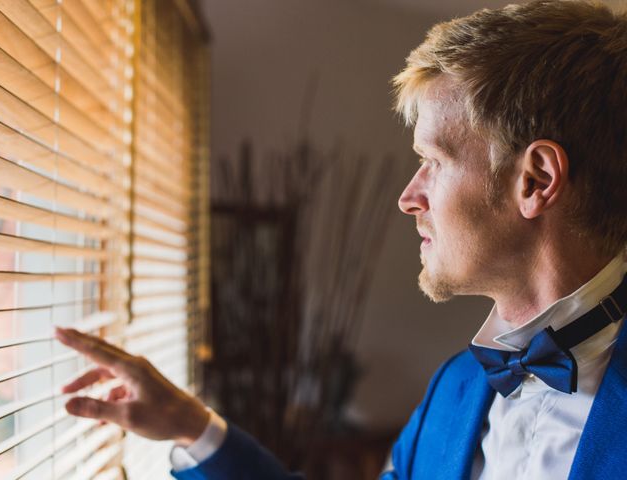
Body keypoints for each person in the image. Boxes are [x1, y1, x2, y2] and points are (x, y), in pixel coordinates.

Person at [54, 0, 627, 478]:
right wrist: (191, 428)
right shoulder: (453, 393)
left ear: (537, 181)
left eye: (434, 160)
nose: (409, 196)